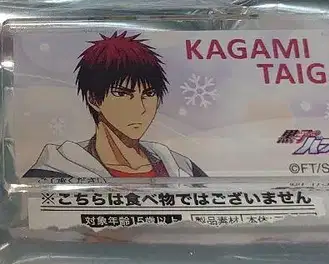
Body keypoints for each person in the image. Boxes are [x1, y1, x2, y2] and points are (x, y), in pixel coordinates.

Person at [24, 31, 205, 180]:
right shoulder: (57, 169)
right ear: (94, 99)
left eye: (149, 94)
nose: (140, 108)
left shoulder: (181, 167)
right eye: (122, 94)